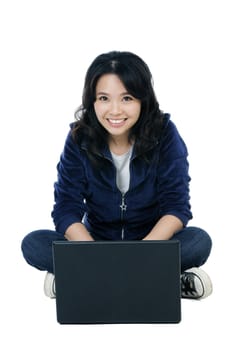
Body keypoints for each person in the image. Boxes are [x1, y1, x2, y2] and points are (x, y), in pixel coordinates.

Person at [21, 51, 212, 299]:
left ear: (143, 99)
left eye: (127, 98)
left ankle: (80, 280)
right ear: (92, 101)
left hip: (151, 241)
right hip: (96, 241)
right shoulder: (79, 138)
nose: (114, 110)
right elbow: (66, 208)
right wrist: (93, 253)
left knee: (198, 241)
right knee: (34, 244)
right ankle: (160, 281)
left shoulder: (164, 133)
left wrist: (142, 253)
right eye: (103, 98)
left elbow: (176, 207)